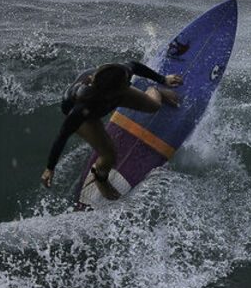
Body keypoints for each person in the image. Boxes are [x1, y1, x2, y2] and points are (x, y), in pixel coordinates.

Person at [41, 61, 182, 200]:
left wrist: (163, 79)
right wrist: (50, 168)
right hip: (88, 116)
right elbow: (63, 135)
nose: (130, 84)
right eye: (126, 83)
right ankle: (100, 177)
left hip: (109, 90)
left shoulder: (118, 73)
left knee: (154, 106)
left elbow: (134, 65)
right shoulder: (82, 108)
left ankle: (154, 90)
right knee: (109, 155)